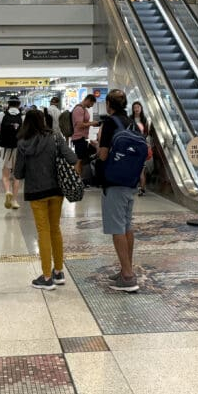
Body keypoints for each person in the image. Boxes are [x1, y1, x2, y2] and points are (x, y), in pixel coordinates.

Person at [14, 109, 78, 290]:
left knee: (43, 232)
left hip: (36, 192)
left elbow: (18, 172)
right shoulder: (55, 137)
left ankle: (46, 277)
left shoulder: (23, 143)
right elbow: (72, 158)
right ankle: (58, 272)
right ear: (44, 121)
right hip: (56, 190)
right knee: (55, 229)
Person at [97, 89, 139, 293]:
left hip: (113, 181)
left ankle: (128, 276)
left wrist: (97, 147)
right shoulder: (132, 122)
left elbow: (103, 155)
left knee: (117, 228)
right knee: (127, 225)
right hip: (131, 181)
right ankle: (126, 268)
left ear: (108, 104)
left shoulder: (110, 123)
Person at [0, 97, 24, 210]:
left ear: (8, 104)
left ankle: (7, 191)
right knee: (17, 176)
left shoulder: (2, 115)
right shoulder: (22, 116)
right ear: (19, 104)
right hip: (19, 148)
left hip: (6, 148)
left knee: (5, 175)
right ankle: (15, 200)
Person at [70, 94, 100, 179]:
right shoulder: (79, 109)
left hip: (82, 137)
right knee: (79, 160)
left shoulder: (83, 109)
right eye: (92, 104)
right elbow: (79, 125)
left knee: (82, 159)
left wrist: (90, 124)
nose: (92, 106)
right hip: (78, 137)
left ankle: (81, 177)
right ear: (88, 100)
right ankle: (77, 179)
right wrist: (91, 123)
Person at [131, 101, 152, 196]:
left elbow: (146, 133)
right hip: (132, 146)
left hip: (141, 146)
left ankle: (142, 189)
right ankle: (132, 187)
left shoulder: (144, 120)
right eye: (135, 107)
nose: (136, 109)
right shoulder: (130, 119)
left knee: (141, 169)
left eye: (138, 107)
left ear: (141, 108)